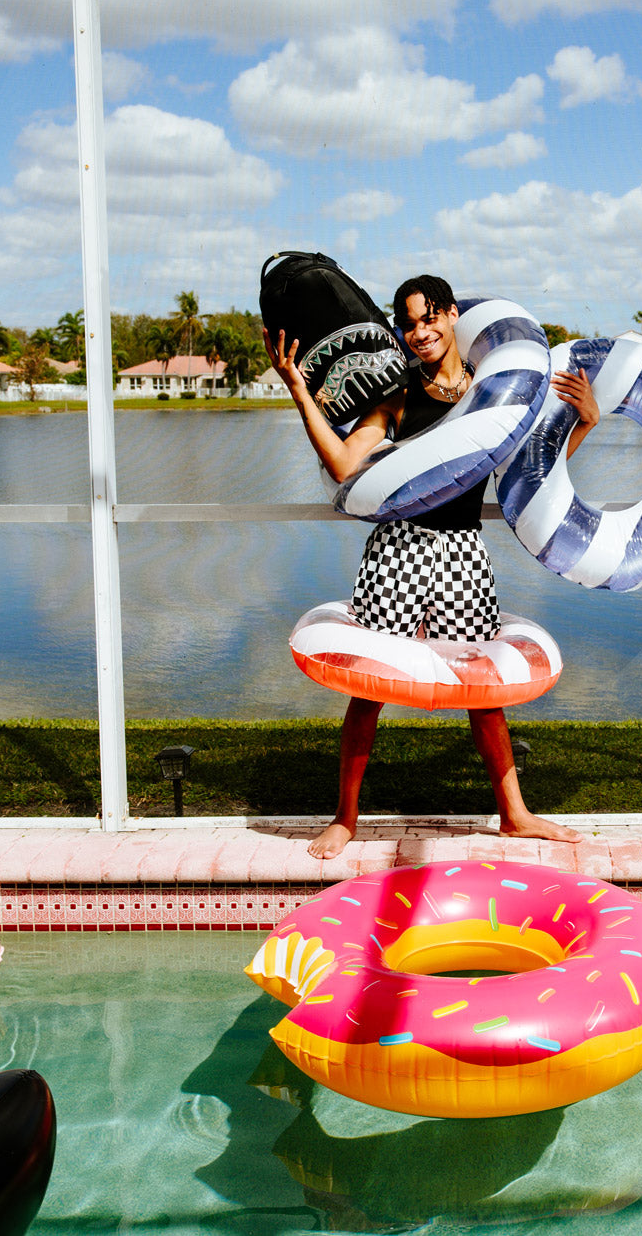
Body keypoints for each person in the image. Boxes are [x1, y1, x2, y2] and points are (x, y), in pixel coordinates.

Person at [264, 274, 599, 860]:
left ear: (452, 316)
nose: (419, 333)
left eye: (428, 318)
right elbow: (343, 465)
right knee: (366, 690)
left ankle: (514, 816)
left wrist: (587, 422)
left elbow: (529, 475)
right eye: (408, 324)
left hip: (463, 554)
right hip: (397, 553)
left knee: (482, 692)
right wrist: (298, 388)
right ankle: (345, 818)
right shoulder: (397, 394)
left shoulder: (494, 395)